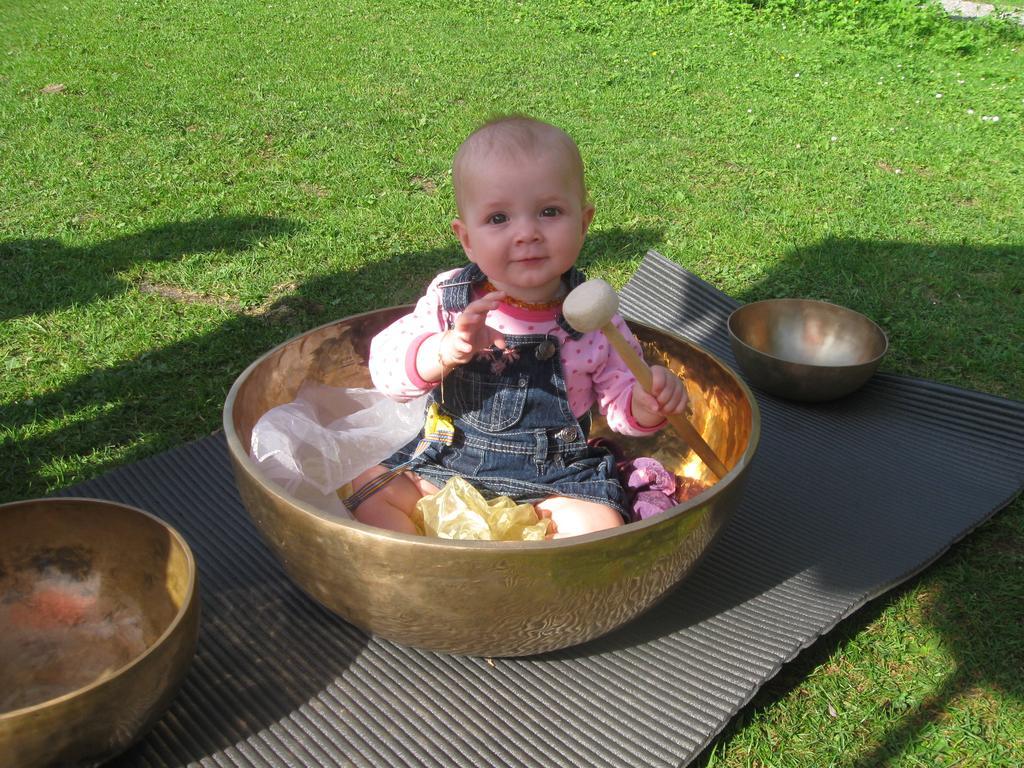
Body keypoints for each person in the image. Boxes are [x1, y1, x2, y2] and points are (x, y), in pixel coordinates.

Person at [350, 116, 687, 538]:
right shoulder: (451, 299)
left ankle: (518, 572)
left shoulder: (596, 320)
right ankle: (428, 564)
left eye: (549, 212)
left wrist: (646, 401)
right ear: (467, 238)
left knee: (597, 525)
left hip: (554, 481)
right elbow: (386, 371)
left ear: (583, 223)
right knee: (368, 489)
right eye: (498, 218)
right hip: (447, 463)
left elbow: (619, 405)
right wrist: (443, 350)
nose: (527, 233)